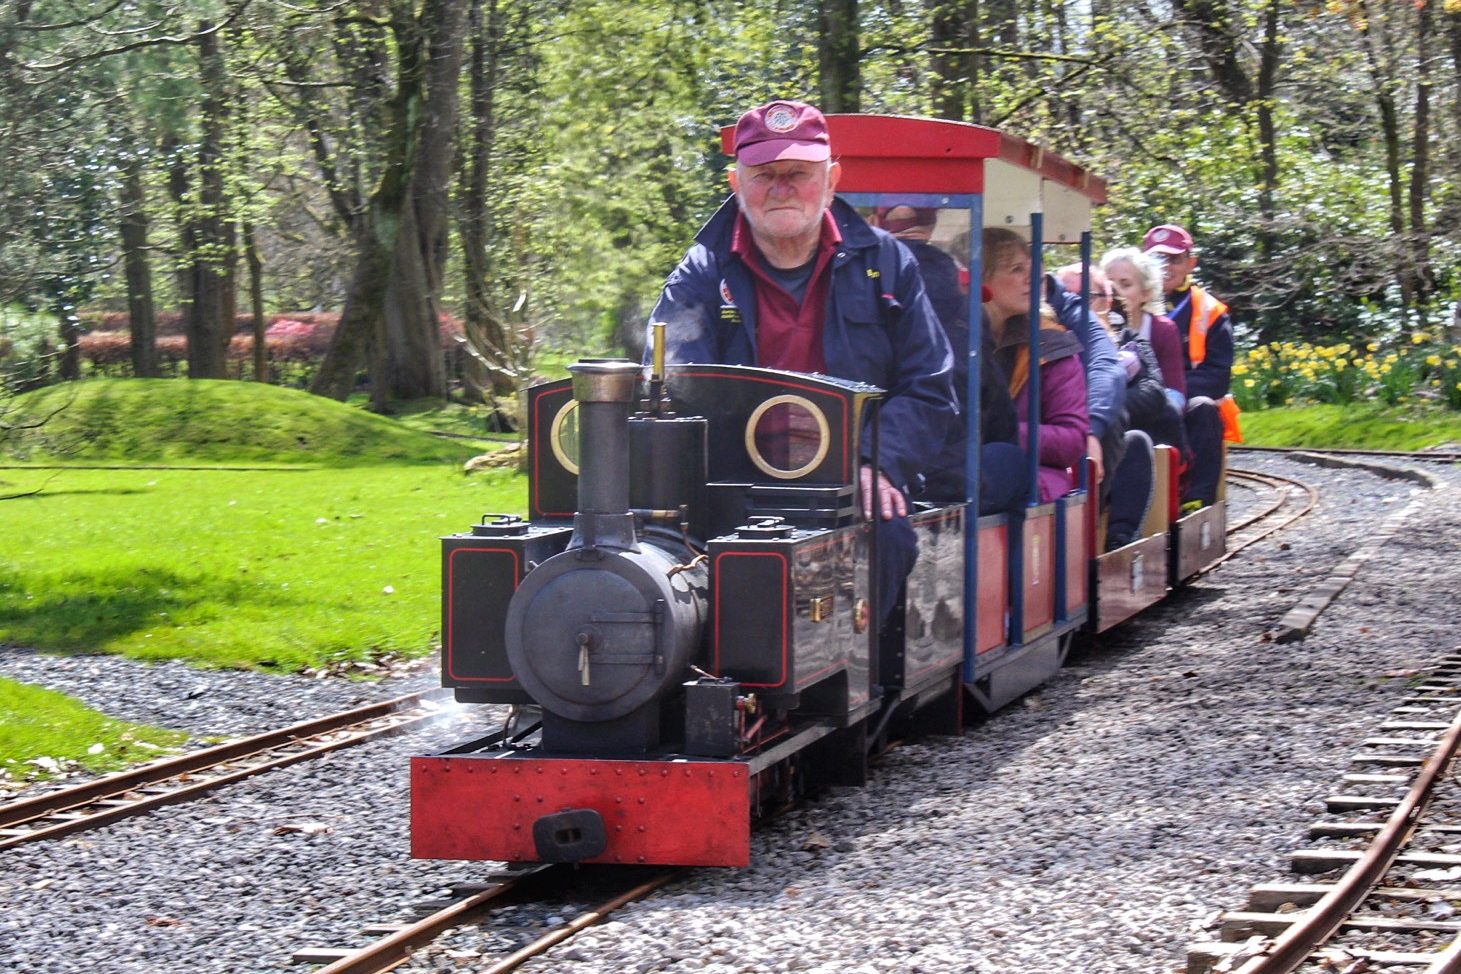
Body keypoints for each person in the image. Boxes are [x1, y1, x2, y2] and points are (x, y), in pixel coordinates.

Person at [646, 100, 958, 623]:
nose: (781, 187)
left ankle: (858, 687)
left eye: (798, 173)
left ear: (832, 180)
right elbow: (671, 387)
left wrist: (876, 464)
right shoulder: (699, 274)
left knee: (890, 541)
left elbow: (931, 385)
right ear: (735, 182)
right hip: (733, 483)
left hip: (850, 479)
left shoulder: (888, 263)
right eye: (764, 174)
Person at [876, 204, 1025, 515]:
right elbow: (998, 413)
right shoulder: (964, 307)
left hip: (866, 471)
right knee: (1011, 458)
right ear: (931, 225)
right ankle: (1013, 563)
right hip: (946, 482)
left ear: (877, 223)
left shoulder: (855, 285)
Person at [983, 229, 1090, 503]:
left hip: (1031, 479)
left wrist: (995, 431)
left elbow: (1072, 440)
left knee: (991, 468)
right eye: (1016, 269)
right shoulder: (946, 337)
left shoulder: (1050, 345)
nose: (1034, 278)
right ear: (980, 278)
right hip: (954, 469)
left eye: (1032, 268)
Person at [1097, 248, 1192, 550]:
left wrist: (1109, 409)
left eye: (1125, 284)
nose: (1116, 293)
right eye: (1109, 286)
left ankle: (1178, 489)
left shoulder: (1153, 334)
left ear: (1144, 292)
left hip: (1144, 418)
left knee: (1162, 416)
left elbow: (1168, 390)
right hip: (1112, 423)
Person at [1142, 224, 1235, 510]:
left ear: (1189, 263)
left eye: (1174, 259)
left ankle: (1198, 498)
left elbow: (1218, 376)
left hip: (1185, 395)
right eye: (1158, 259)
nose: (1166, 267)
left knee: (1204, 408)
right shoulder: (1126, 301)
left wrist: (1171, 392)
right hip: (1139, 393)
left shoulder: (1211, 311)